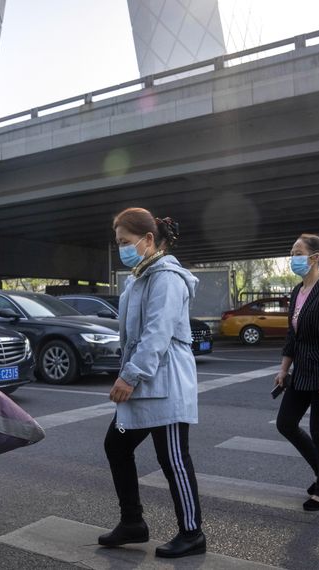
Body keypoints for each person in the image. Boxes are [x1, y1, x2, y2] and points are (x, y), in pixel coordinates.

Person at [99, 207, 205, 559]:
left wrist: (128, 377)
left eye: (126, 242)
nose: (122, 249)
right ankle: (132, 522)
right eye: (117, 243)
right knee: (116, 445)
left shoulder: (167, 278)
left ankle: (192, 533)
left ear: (148, 240)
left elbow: (156, 335)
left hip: (166, 383)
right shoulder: (139, 277)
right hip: (145, 381)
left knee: (173, 458)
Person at [274, 234, 319, 511]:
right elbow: (292, 336)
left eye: (297, 252)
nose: (292, 258)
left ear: (314, 257)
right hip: (302, 371)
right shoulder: (297, 291)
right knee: (286, 423)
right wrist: (283, 369)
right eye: (292, 252)